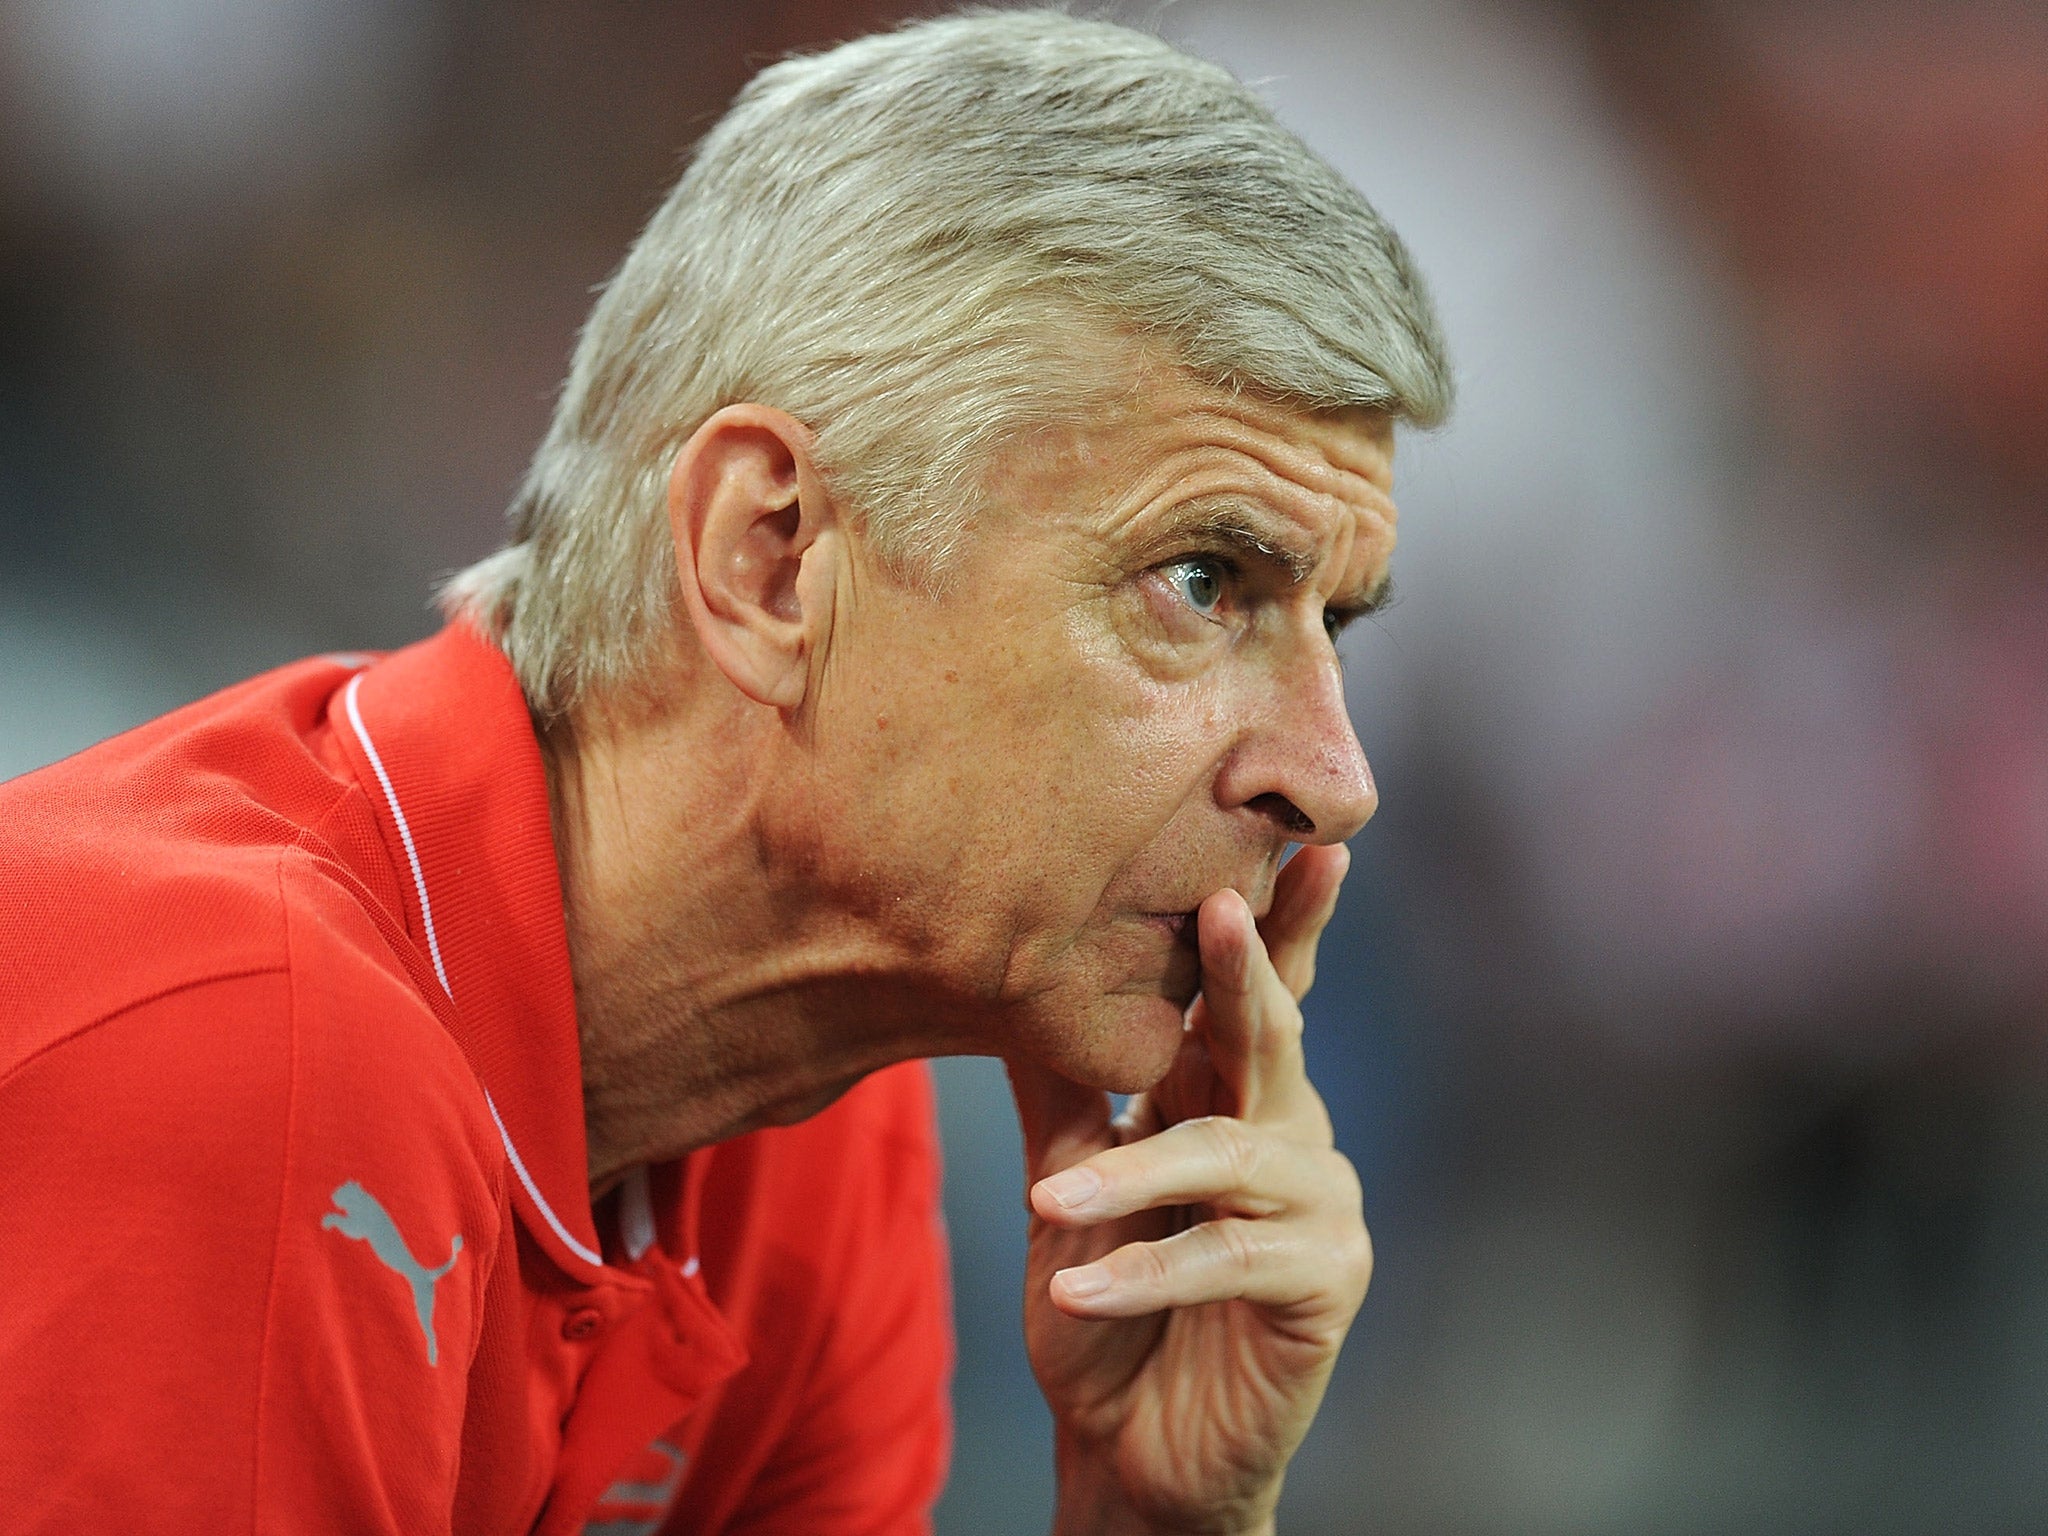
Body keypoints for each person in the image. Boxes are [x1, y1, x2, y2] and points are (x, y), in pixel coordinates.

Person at [0, 8, 1450, 1533]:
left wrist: (1156, 1518)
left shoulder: (808, 1133)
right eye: (1204, 581)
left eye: (1332, 624)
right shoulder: (249, 1053)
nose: (1334, 778)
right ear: (771, 560)